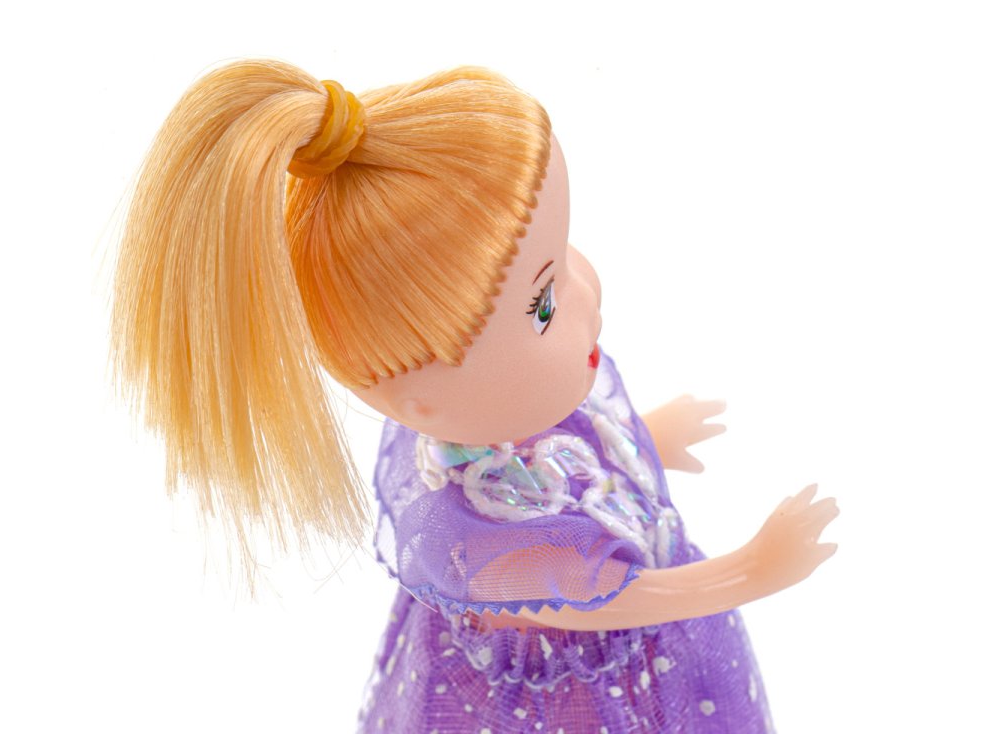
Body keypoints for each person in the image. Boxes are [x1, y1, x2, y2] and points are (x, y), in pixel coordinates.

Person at [112, 60, 838, 734]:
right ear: (423, 401)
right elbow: (611, 599)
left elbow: (564, 466)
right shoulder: (475, 541)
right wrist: (748, 570)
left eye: (565, 252)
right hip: (570, 702)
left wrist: (644, 436)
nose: (588, 294)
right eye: (543, 304)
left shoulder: (506, 417)